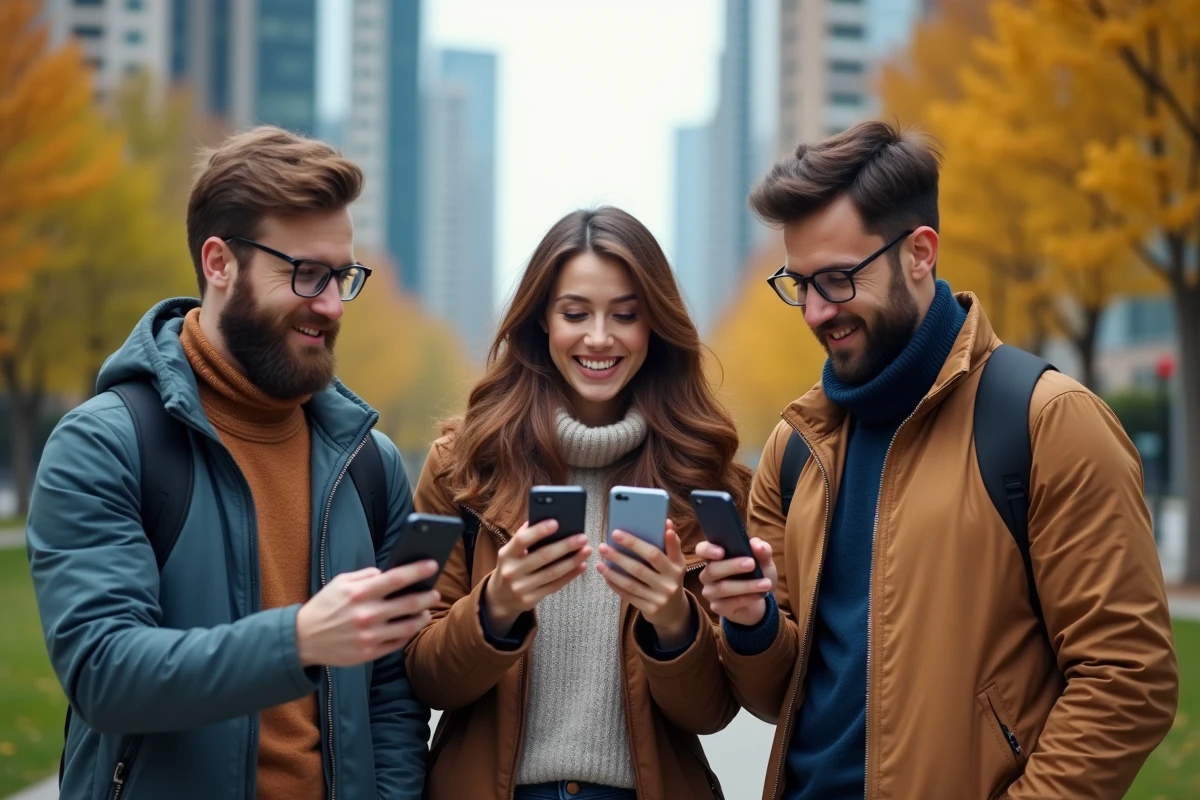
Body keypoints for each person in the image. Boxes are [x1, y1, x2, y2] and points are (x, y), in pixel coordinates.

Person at [697, 120, 1179, 800]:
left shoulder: (1048, 421)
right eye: (798, 283)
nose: (811, 312)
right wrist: (751, 625)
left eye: (836, 280)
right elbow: (778, 694)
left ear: (920, 253)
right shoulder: (795, 446)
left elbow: (1129, 678)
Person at [27, 126, 436, 800]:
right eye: (305, 274)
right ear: (219, 263)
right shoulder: (104, 444)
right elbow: (103, 671)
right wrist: (300, 639)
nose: (332, 305)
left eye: (342, 277)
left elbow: (390, 695)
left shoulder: (371, 464)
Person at [404, 206, 752, 799]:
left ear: (655, 328)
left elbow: (712, 711)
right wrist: (497, 606)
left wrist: (673, 622)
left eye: (625, 315)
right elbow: (422, 676)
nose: (598, 337)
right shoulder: (463, 467)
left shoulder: (702, 478)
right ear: (542, 319)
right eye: (575, 313)